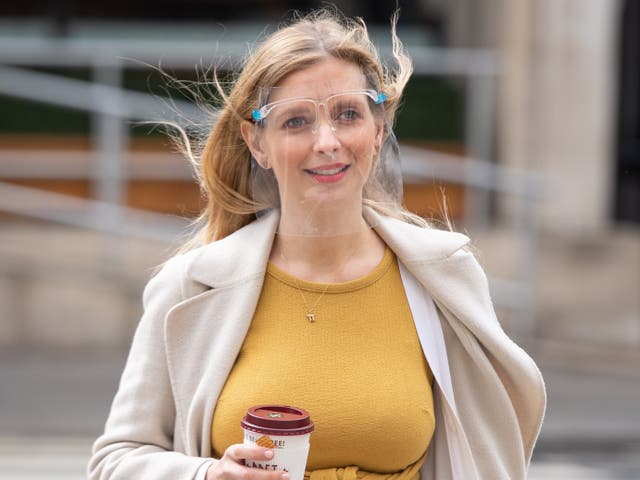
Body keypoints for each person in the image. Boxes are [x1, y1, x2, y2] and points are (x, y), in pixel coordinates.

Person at [88, 9, 545, 480]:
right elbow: (115, 460)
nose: (326, 141)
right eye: (296, 121)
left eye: (348, 114)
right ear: (257, 142)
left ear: (378, 128)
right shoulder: (188, 287)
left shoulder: (442, 278)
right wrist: (207, 475)